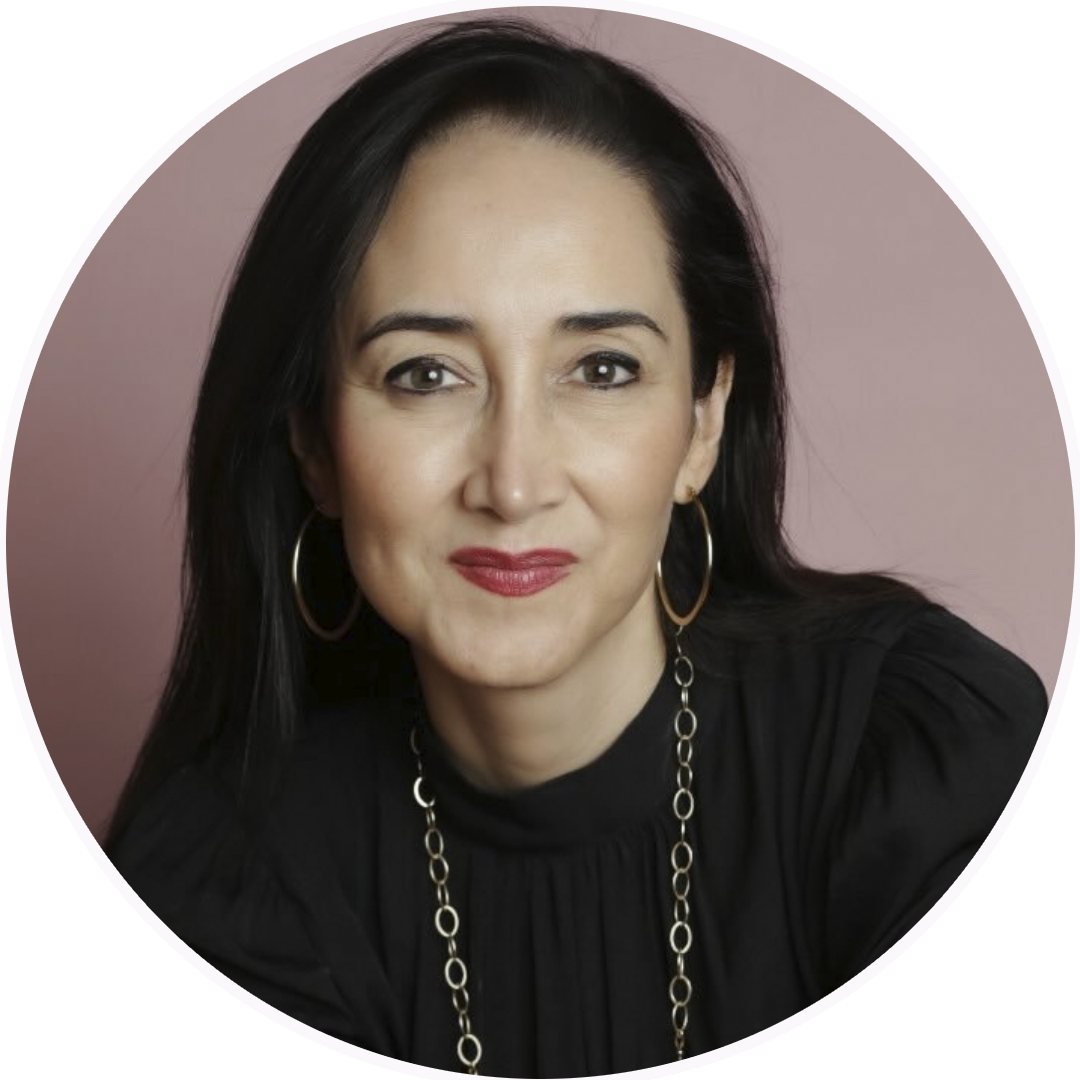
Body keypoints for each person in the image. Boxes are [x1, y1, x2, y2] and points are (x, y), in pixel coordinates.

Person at [105, 19, 1046, 1076]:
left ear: (703, 424)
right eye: (425, 374)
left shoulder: (914, 760)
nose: (513, 485)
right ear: (316, 446)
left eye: (601, 369)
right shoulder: (226, 881)